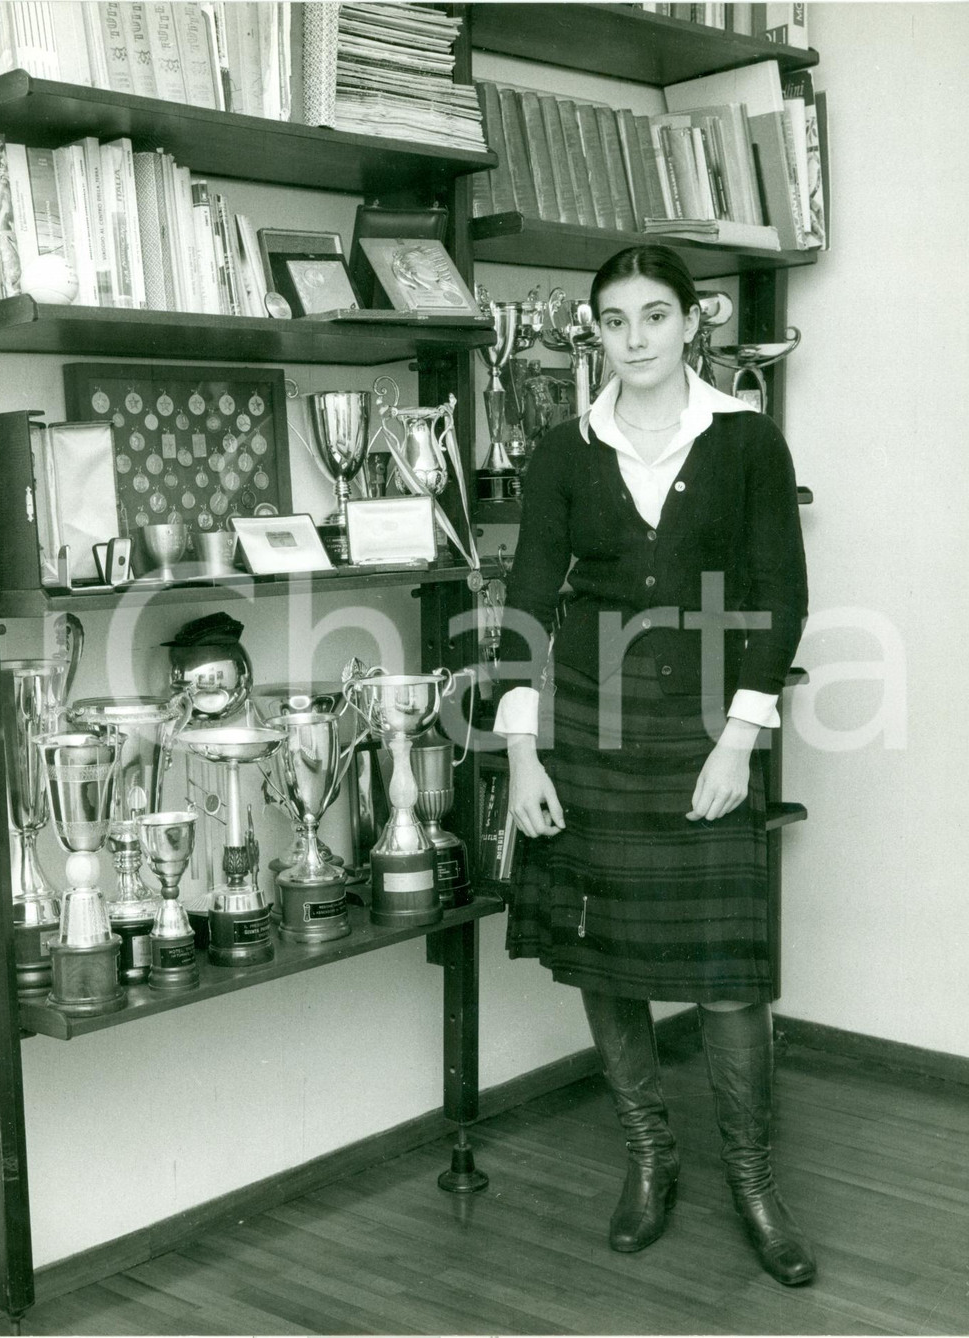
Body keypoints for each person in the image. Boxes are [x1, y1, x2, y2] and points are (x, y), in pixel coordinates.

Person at [493, 245, 814, 1286]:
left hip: (705, 726)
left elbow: (780, 594)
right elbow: (528, 604)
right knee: (606, 954)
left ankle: (752, 1181)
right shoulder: (562, 451)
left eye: (653, 316)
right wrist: (523, 751)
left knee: (727, 976)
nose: (634, 337)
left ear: (692, 323)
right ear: (597, 330)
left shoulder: (744, 440)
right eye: (615, 319)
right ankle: (648, 1157)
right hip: (587, 732)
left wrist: (741, 736)